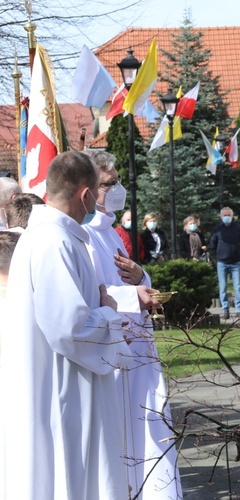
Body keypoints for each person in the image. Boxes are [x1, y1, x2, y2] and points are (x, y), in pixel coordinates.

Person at [0, 151, 133, 499]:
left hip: (59, 380)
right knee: (69, 476)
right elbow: (68, 328)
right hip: (63, 388)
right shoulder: (53, 242)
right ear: (85, 194)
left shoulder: (52, 236)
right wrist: (108, 312)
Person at [81, 150, 182, 498]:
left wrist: (143, 276)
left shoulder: (109, 231)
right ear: (90, 189)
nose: (119, 188)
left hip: (137, 346)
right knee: (127, 438)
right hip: (114, 351)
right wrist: (132, 297)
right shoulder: (84, 234)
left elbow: (130, 280)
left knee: (152, 428)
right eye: (110, 183)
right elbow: (88, 292)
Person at [210, 207, 240, 320]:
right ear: (221, 217)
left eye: (228, 215)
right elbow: (212, 244)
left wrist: (237, 252)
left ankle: (239, 310)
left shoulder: (239, 228)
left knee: (238, 287)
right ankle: (225, 309)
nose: (226, 217)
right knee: (223, 287)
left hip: (236, 262)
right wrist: (219, 254)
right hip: (222, 262)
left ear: (232, 216)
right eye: (224, 215)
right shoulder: (217, 230)